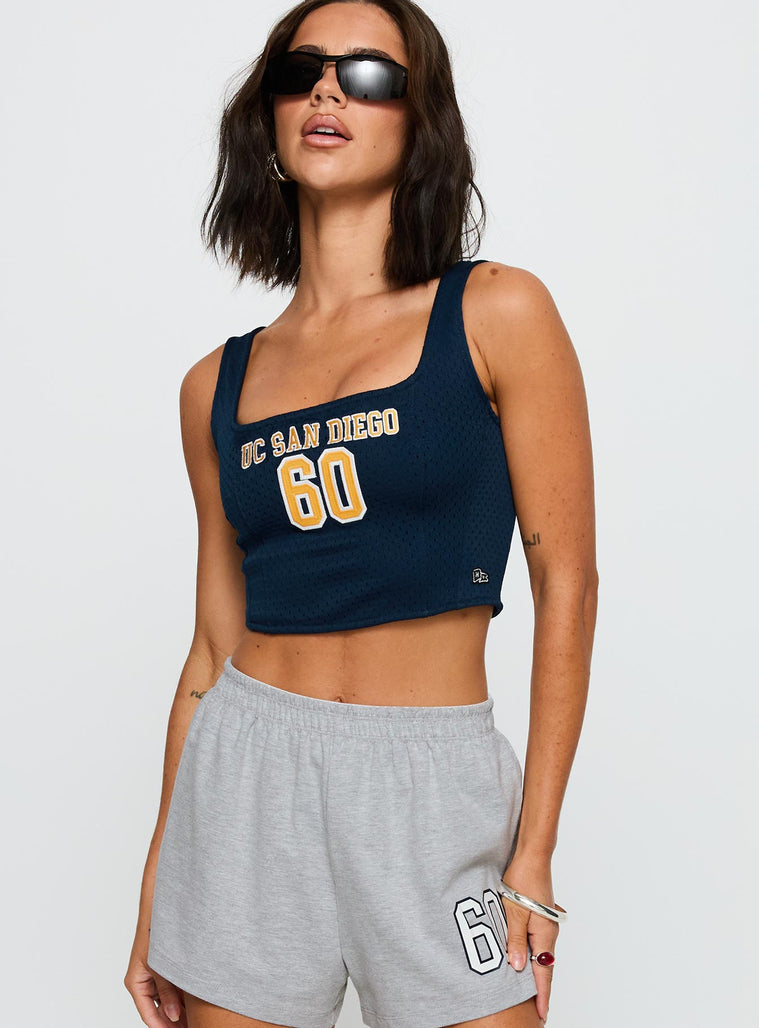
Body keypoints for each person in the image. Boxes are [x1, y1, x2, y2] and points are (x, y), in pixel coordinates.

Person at [123, 1, 598, 1026]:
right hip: (244, 787)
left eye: (368, 74)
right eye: (300, 72)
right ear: (268, 119)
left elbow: (567, 583)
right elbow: (209, 651)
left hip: (431, 782)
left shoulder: (496, 312)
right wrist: (159, 882)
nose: (328, 90)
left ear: (419, 122)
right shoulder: (214, 385)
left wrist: (535, 848)